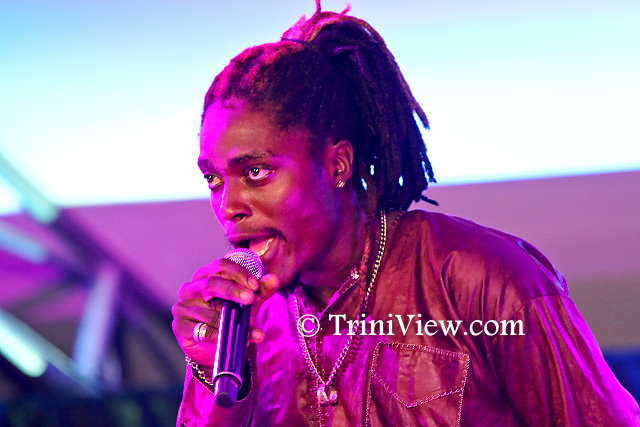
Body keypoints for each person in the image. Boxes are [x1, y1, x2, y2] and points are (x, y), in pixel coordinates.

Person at [172, 3, 640, 426]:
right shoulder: (239, 326)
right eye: (213, 179)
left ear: (337, 165)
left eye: (255, 172)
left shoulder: (483, 280)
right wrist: (211, 373)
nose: (228, 206)